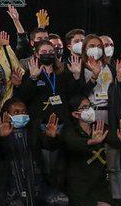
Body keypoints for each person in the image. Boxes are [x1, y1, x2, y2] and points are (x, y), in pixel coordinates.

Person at [47, 95, 121, 206]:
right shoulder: (69, 130)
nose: (89, 110)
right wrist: (90, 142)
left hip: (101, 190)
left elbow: (114, 139)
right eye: (84, 107)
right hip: (80, 192)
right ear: (75, 114)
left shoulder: (99, 126)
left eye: (90, 106)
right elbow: (72, 143)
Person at [0, 98, 68, 206]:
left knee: (62, 201)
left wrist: (52, 137)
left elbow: (49, 145)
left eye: (24, 112)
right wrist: (2, 138)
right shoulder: (0, 134)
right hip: (12, 194)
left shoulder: (33, 132)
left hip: (36, 190)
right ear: (7, 115)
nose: (21, 115)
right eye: (16, 112)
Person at [14, 40, 81, 188]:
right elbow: (23, 98)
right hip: (41, 126)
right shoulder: (31, 74)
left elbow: (74, 96)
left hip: (63, 125)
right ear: (37, 54)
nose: (48, 54)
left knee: (62, 166)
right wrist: (33, 78)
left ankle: (62, 195)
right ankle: (47, 195)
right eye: (44, 52)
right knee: (45, 167)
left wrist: (76, 76)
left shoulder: (64, 73)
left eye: (51, 52)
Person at [79, 34, 121, 203]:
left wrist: (120, 77)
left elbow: (120, 92)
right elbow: (79, 94)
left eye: (99, 46)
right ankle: (93, 199)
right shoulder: (80, 67)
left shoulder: (111, 67)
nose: (96, 49)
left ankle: (116, 200)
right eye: (92, 46)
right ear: (85, 49)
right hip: (90, 117)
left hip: (110, 115)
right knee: (93, 161)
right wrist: (94, 76)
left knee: (113, 163)